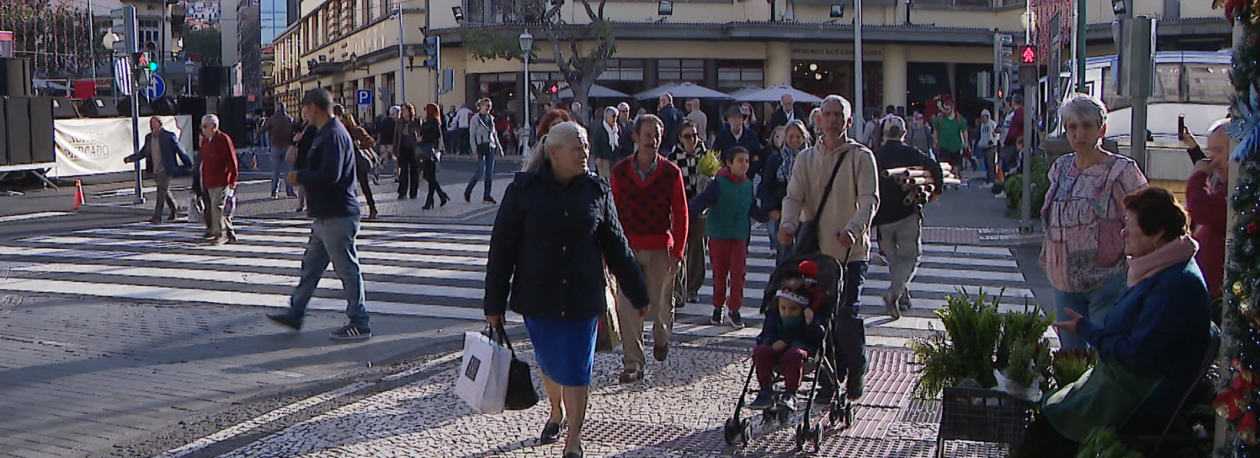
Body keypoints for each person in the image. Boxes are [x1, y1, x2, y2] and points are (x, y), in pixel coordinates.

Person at [485, 121, 651, 458]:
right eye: (578, 148)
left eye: (586, 146)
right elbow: (502, 248)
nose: (585, 153)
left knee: (576, 367)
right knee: (549, 362)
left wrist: (637, 291)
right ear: (554, 152)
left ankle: (574, 438)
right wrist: (494, 303)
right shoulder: (523, 190)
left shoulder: (596, 191)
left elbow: (617, 246)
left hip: (582, 297)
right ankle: (555, 410)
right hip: (539, 297)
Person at [1031, 187, 1214, 456]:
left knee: (1049, 425)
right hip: (1129, 381)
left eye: (1130, 225)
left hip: (1143, 394)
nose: (1123, 232)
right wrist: (1087, 329)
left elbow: (1137, 355)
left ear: (1157, 233)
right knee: (1049, 408)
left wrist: (1089, 330)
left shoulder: (1174, 284)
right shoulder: (1160, 269)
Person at [778, 94, 878, 402]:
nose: (833, 120)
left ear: (849, 121)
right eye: (828, 115)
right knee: (818, 319)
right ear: (819, 119)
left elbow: (870, 200)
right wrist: (788, 224)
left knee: (846, 315)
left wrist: (853, 229)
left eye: (839, 115)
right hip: (816, 253)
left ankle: (856, 367)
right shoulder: (806, 159)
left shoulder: (861, 157)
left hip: (851, 255)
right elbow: (794, 196)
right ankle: (830, 377)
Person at [1041, 93, 1149, 351]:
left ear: (1102, 129)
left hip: (1106, 281)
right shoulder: (1060, 168)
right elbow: (1053, 215)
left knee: (1104, 353)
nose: (1079, 133)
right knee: (1070, 358)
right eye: (1072, 127)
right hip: (1063, 281)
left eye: (1087, 126)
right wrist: (1046, 252)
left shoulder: (1122, 170)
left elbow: (1146, 216)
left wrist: (1135, 263)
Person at [268, 88, 372, 341]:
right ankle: (296, 312)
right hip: (326, 214)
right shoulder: (324, 132)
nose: (303, 113)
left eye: (305, 108)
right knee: (311, 266)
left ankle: (360, 322)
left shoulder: (333, 134)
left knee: (346, 269)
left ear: (314, 107)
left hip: (337, 213)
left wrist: (300, 176)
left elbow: (330, 175)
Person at [610, 114, 689, 384]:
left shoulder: (671, 173)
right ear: (636, 137)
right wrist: (610, 251)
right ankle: (633, 363)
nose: (652, 141)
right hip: (628, 250)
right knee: (628, 308)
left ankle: (662, 337)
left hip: (660, 249)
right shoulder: (620, 172)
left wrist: (677, 253)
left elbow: (681, 214)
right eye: (647, 135)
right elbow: (612, 212)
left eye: (656, 136)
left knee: (660, 305)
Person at [689, 146, 769, 328]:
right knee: (720, 274)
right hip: (719, 235)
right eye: (740, 161)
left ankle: (735, 309)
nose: (744, 165)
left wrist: (765, 215)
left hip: (739, 236)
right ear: (729, 163)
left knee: (738, 274)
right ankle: (718, 307)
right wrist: (691, 216)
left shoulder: (748, 185)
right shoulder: (718, 183)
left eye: (747, 161)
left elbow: (751, 207)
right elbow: (701, 201)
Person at [872, 116, 943, 320]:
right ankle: (894, 293)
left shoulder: (875, 155)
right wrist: (936, 192)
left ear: (885, 133)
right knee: (912, 256)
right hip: (906, 213)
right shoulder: (910, 152)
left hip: (882, 216)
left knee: (894, 260)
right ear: (904, 133)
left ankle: (903, 297)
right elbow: (935, 167)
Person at [749, 272, 825, 411]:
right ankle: (765, 390)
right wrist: (770, 343)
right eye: (783, 308)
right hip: (775, 350)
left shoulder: (807, 319)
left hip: (801, 351)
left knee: (794, 354)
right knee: (761, 351)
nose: (787, 312)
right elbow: (767, 333)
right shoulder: (775, 317)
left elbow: (815, 338)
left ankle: (790, 393)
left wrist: (810, 323)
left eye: (793, 309)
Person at [1182, 119, 1231, 308]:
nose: (1213, 160)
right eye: (1210, 152)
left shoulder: (1239, 188)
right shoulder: (1224, 183)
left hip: (1222, 295)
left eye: (1218, 151)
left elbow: (1203, 210)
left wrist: (1197, 177)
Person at [759, 120, 810, 266]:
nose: (794, 140)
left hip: (806, 213)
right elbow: (765, 186)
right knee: (784, 254)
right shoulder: (776, 159)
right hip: (782, 212)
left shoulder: (811, 159)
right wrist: (770, 209)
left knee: (803, 253)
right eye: (791, 136)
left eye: (798, 137)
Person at [668, 120, 708, 305]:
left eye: (694, 135)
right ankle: (678, 290)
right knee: (679, 249)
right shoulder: (673, 157)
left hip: (700, 208)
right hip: (679, 208)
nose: (692, 140)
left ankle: (693, 288)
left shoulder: (705, 156)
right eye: (687, 136)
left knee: (698, 249)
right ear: (680, 138)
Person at [125, 117, 192, 224]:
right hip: (155, 169)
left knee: (161, 192)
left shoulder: (168, 136)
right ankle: (175, 209)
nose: (153, 126)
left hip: (166, 169)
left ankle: (157, 217)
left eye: (155, 123)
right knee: (164, 190)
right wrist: (130, 159)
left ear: (160, 124)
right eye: (151, 123)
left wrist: (188, 163)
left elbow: (179, 149)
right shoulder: (149, 138)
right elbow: (143, 152)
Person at [334, 105, 380, 220]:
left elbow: (371, 141)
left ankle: (372, 208)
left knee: (364, 186)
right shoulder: (338, 131)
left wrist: (360, 144)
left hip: (357, 162)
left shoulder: (356, 130)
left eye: (341, 118)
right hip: (345, 163)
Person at [200, 114, 239, 246]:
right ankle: (230, 232)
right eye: (202, 126)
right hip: (209, 179)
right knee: (214, 208)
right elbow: (204, 160)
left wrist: (233, 179)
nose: (203, 129)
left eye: (205, 126)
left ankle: (220, 234)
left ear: (214, 127)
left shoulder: (223, 139)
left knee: (217, 207)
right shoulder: (205, 140)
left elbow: (232, 159)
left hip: (222, 179)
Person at [466, 98, 502, 204]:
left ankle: (487, 195)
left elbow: (494, 134)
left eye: (490, 106)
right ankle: (468, 191)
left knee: (489, 173)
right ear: (481, 106)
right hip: (480, 146)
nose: (489, 108)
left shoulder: (490, 118)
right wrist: (474, 151)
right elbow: (472, 136)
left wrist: (499, 147)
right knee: (480, 171)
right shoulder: (475, 119)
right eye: (487, 105)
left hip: (490, 146)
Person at [712, 105, 766, 178]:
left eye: (739, 117)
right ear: (728, 119)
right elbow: (715, 155)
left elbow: (758, 156)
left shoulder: (751, 135)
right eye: (734, 117)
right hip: (727, 177)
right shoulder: (722, 136)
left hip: (747, 177)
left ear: (743, 119)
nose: (737, 120)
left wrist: (750, 171)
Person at [259, 102, 298, 199]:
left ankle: (274, 192)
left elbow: (261, 130)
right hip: (286, 147)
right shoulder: (289, 119)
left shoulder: (272, 119)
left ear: (276, 108)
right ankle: (290, 191)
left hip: (275, 147)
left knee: (275, 171)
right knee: (288, 171)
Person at [420, 103, 450, 209]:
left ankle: (430, 200)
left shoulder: (434, 122)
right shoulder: (427, 121)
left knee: (431, 177)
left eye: (426, 109)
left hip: (430, 152)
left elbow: (436, 136)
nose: (424, 111)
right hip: (426, 151)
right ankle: (441, 195)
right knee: (428, 176)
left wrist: (423, 138)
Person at [394, 103, 423, 201]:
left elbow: (421, 133)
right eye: (401, 110)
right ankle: (402, 193)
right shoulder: (399, 122)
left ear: (410, 111)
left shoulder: (416, 121)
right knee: (403, 171)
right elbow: (396, 136)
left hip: (414, 149)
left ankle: (413, 193)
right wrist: (395, 149)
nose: (402, 112)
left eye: (404, 110)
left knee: (414, 171)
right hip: (403, 149)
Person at [933, 101, 968, 179]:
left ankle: (955, 179)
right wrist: (935, 141)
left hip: (956, 146)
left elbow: (964, 130)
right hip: (943, 145)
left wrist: (966, 142)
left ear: (952, 109)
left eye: (947, 109)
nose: (945, 111)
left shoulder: (959, 118)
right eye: (944, 109)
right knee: (944, 165)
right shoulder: (940, 118)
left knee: (956, 166)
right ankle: (945, 180)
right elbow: (935, 130)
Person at [591, 106, 621, 178]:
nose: (615, 119)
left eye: (616, 116)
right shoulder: (600, 128)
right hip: (603, 158)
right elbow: (595, 143)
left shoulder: (617, 129)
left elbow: (620, 140)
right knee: (605, 178)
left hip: (614, 157)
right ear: (607, 117)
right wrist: (597, 157)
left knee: (615, 177)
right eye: (613, 116)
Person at [976, 109, 999, 183]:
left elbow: (997, 134)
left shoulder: (992, 124)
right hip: (984, 146)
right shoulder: (982, 125)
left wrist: (992, 140)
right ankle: (988, 179)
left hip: (991, 146)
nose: (984, 118)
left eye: (986, 116)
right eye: (983, 117)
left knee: (991, 163)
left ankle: (992, 179)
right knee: (986, 164)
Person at [376, 106, 399, 178]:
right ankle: (397, 175)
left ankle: (377, 173)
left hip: (383, 143)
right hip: (392, 143)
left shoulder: (383, 120)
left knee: (383, 160)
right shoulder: (396, 121)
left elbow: (379, 131)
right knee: (396, 160)